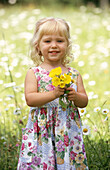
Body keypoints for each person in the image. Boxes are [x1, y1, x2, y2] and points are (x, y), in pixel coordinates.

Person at [17, 17, 88, 170]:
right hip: (42, 130)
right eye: (47, 41)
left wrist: (76, 97)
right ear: (38, 46)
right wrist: (54, 94)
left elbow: (84, 102)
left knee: (68, 163)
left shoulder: (74, 74)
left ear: (67, 45)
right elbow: (30, 99)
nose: (54, 46)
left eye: (60, 41)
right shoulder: (34, 73)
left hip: (67, 130)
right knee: (41, 162)